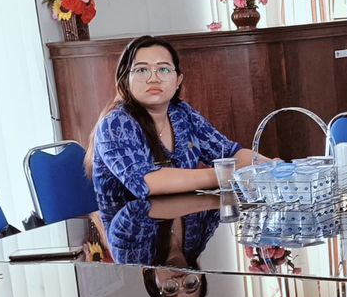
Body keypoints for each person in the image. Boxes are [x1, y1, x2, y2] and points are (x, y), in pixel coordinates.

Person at [90, 35, 263, 222]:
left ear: (178, 79)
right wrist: (225, 175)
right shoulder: (115, 124)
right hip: (132, 227)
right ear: (125, 79)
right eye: (141, 70)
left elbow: (230, 153)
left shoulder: (182, 114)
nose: (153, 78)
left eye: (163, 69)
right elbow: (146, 183)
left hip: (183, 219)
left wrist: (272, 166)